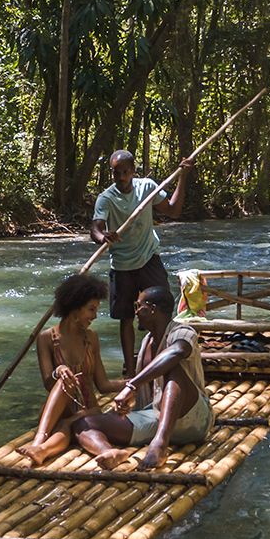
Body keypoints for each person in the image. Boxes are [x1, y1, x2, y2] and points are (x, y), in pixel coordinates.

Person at [69, 286, 212, 472]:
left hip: (193, 418)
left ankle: (160, 443)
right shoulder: (146, 342)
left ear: (152, 309)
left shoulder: (183, 331)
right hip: (154, 415)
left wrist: (132, 385)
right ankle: (110, 453)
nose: (135, 312)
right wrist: (127, 404)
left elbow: (178, 351)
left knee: (173, 368)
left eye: (139, 306)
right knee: (85, 424)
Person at [92, 149, 192, 373]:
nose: (121, 178)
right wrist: (103, 237)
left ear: (133, 171)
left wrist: (183, 176)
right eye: (116, 173)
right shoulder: (106, 198)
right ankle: (130, 367)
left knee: (163, 308)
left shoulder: (147, 187)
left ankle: (163, 357)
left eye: (125, 173)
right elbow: (96, 229)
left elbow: (174, 211)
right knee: (126, 317)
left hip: (148, 258)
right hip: (122, 264)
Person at [20, 273, 122, 466]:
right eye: (91, 309)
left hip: (88, 412)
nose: (95, 316)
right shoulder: (46, 338)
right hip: (61, 410)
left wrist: (135, 382)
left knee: (68, 424)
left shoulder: (91, 338)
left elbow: (103, 384)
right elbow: (48, 384)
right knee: (63, 385)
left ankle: (40, 448)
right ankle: (39, 445)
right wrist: (59, 370)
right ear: (75, 308)